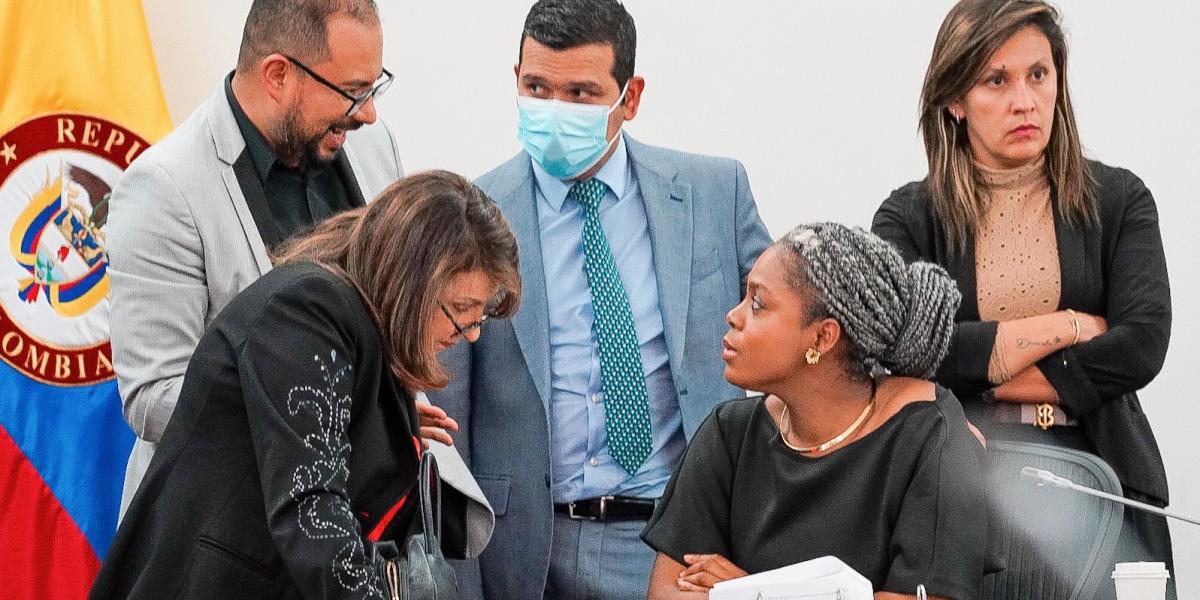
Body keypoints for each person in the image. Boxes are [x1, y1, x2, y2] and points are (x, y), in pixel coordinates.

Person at [426, 1, 772, 598]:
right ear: (515, 80)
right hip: (528, 550)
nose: (554, 109)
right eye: (536, 87)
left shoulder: (715, 191)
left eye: (582, 94)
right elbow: (445, 419)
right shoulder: (467, 212)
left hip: (681, 541)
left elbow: (793, 326)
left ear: (629, 98)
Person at [89, 171, 520, 600]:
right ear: (412, 284)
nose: (471, 332)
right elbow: (312, 509)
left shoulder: (353, 324)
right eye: (463, 309)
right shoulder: (306, 309)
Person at [871, 1, 1175, 598]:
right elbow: (909, 349)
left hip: (1102, 469)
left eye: (1038, 74)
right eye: (996, 80)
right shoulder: (907, 217)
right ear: (955, 100)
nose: (1024, 100)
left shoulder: (1120, 200)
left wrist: (980, 367)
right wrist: (1070, 325)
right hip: (959, 478)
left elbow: (1141, 345)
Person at [107, 0, 405, 514]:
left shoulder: (374, 146)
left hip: (356, 520)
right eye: (354, 92)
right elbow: (153, 398)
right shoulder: (162, 188)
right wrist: (321, 419)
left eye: (374, 87)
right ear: (277, 75)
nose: (370, 113)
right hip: (221, 532)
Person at [641, 223, 986, 600]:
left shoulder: (930, 434)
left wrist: (746, 591)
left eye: (758, 304)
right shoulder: (730, 433)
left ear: (822, 338)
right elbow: (667, 591)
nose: (733, 316)